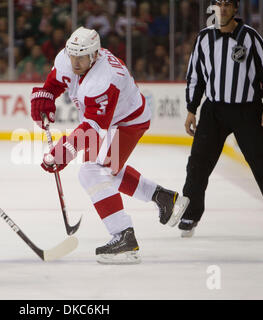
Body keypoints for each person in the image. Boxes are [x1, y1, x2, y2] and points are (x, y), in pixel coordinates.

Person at [30, 26, 190, 264]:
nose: (75, 61)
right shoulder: (68, 58)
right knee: (105, 171)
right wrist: (45, 97)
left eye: (81, 57)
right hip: (111, 121)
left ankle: (124, 237)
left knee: (93, 171)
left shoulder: (105, 79)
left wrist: (62, 153)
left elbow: (93, 129)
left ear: (94, 55)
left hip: (127, 122)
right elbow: (55, 82)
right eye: (72, 55)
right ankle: (164, 198)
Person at [181, 0, 263, 240]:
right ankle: (189, 216)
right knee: (198, 164)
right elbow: (195, 76)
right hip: (213, 112)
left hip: (248, 111)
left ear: (236, 9)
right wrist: (191, 108)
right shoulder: (204, 38)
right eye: (218, 4)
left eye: (228, 4)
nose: (222, 9)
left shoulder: (251, 37)